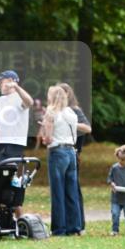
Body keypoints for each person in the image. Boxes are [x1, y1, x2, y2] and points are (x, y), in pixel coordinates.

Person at [40, 85, 82, 236]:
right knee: (71, 191)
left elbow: (48, 139)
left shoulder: (51, 113)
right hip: (71, 151)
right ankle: (74, 226)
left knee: (57, 191)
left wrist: (44, 131)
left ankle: (59, 229)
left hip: (57, 152)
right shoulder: (71, 112)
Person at [58, 82, 92, 232]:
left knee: (73, 190)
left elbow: (87, 128)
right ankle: (65, 222)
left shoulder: (74, 110)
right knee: (62, 190)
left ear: (68, 94)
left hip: (73, 153)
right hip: (59, 152)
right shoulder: (56, 111)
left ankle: (79, 223)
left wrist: (72, 122)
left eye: (62, 93)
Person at [0, 70, 34, 162]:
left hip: (14, 142)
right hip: (2, 142)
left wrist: (16, 86)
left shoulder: (19, 97)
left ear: (10, 80)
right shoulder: (1, 99)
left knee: (3, 172)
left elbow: (30, 102)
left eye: (1, 82)